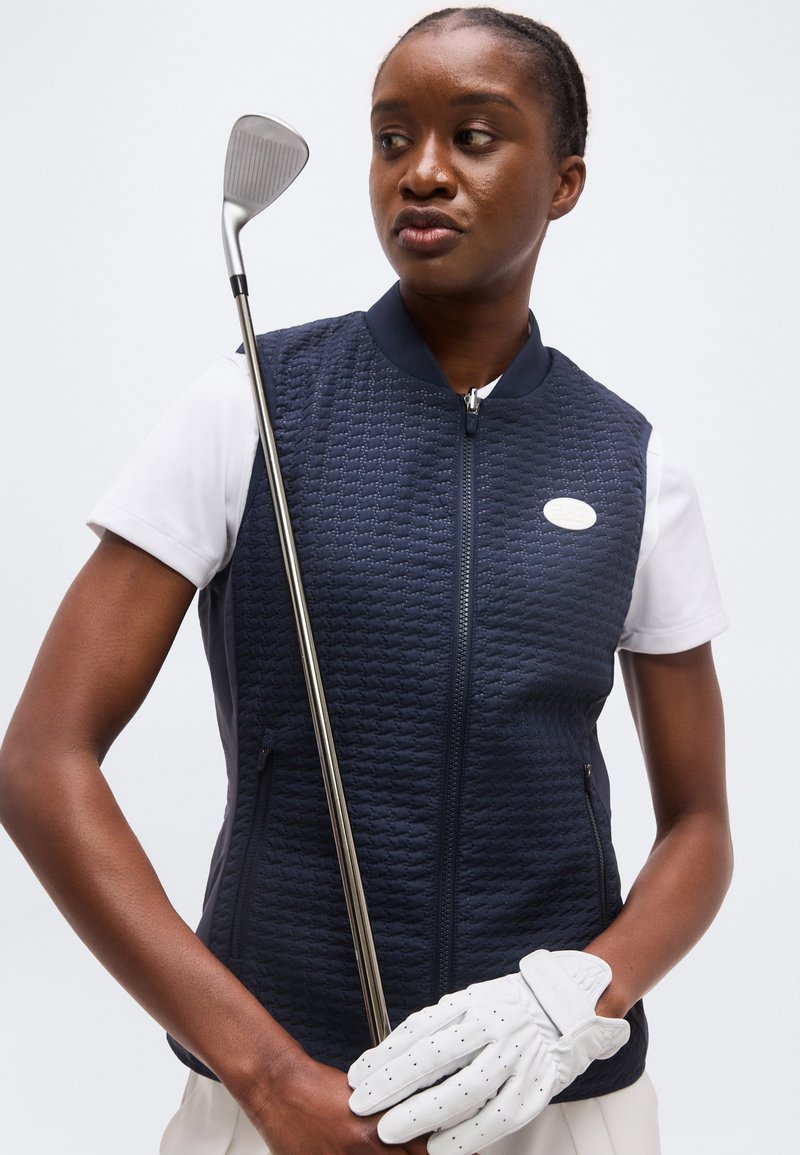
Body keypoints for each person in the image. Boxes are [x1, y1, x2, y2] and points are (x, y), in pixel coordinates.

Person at [0, 7, 732, 1155]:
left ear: (563, 181)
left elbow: (698, 826)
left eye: (472, 137)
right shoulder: (250, 405)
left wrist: (579, 993)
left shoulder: (630, 464)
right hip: (281, 1107)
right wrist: (267, 1076)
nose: (421, 172)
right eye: (392, 139)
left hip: (558, 1105)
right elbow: (42, 764)